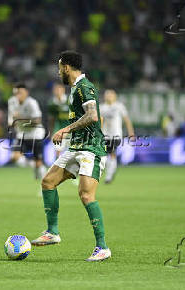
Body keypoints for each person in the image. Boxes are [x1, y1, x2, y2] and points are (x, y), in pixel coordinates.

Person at [31, 51, 110, 262]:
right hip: (76, 148)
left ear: (66, 67)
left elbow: (93, 116)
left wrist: (66, 129)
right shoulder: (75, 89)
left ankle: (102, 247)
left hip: (91, 149)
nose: (58, 72)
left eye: (59, 68)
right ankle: (52, 232)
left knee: (86, 195)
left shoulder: (85, 87)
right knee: (48, 181)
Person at [8, 83, 47, 180]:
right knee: (14, 157)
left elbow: (37, 121)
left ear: (26, 93)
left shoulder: (31, 103)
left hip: (36, 134)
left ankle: (42, 179)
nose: (18, 95)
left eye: (20, 93)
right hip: (22, 135)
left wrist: (21, 119)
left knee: (39, 161)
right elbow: (11, 121)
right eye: (16, 93)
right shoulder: (12, 102)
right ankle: (34, 165)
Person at [99, 89, 135, 184]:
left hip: (116, 134)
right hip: (104, 135)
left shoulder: (119, 106)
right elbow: (100, 121)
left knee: (110, 152)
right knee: (104, 155)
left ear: (115, 96)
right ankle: (111, 172)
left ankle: (109, 176)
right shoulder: (101, 108)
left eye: (111, 95)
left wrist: (131, 132)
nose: (109, 97)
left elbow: (126, 120)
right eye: (107, 95)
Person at [48, 82, 69, 158]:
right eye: (55, 90)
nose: (57, 91)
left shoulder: (70, 101)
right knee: (57, 152)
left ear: (63, 90)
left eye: (58, 89)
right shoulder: (52, 104)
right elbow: (51, 119)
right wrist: (51, 132)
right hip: (59, 131)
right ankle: (57, 168)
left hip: (71, 131)